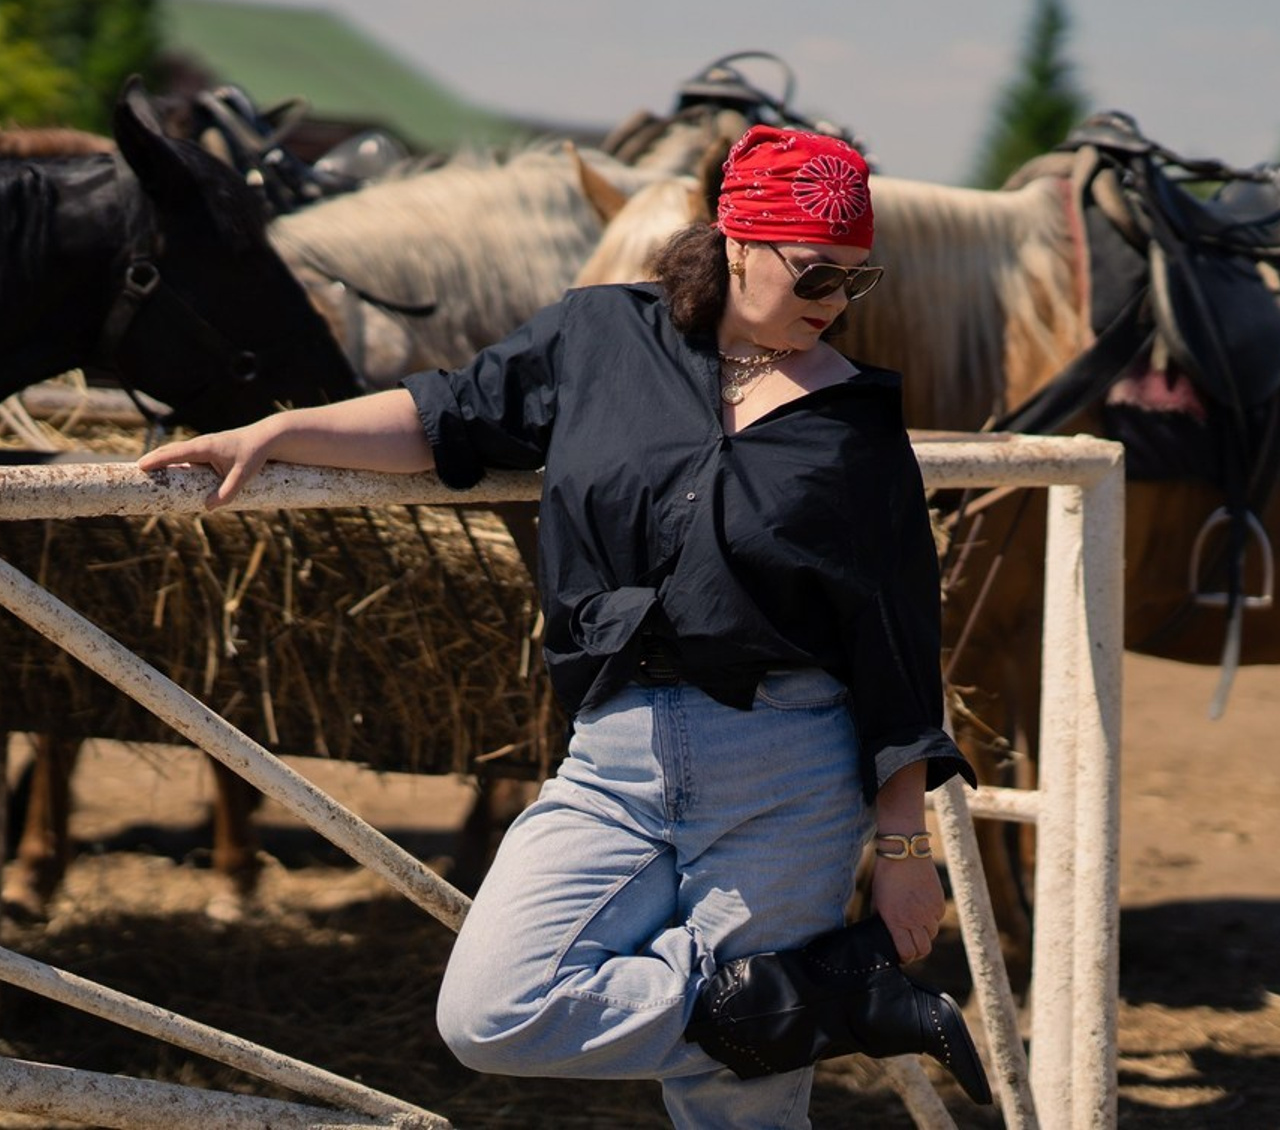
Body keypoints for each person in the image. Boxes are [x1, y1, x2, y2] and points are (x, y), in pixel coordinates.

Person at [138, 124, 991, 1126]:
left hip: (787, 771)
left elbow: (895, 645)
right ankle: (819, 992)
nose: (833, 305)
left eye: (854, 280)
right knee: (492, 1008)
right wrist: (282, 428)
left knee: (740, 1107)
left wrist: (901, 847)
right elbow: (444, 416)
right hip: (612, 760)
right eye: (813, 275)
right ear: (736, 240)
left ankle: (787, 999)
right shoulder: (597, 337)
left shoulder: (854, 423)